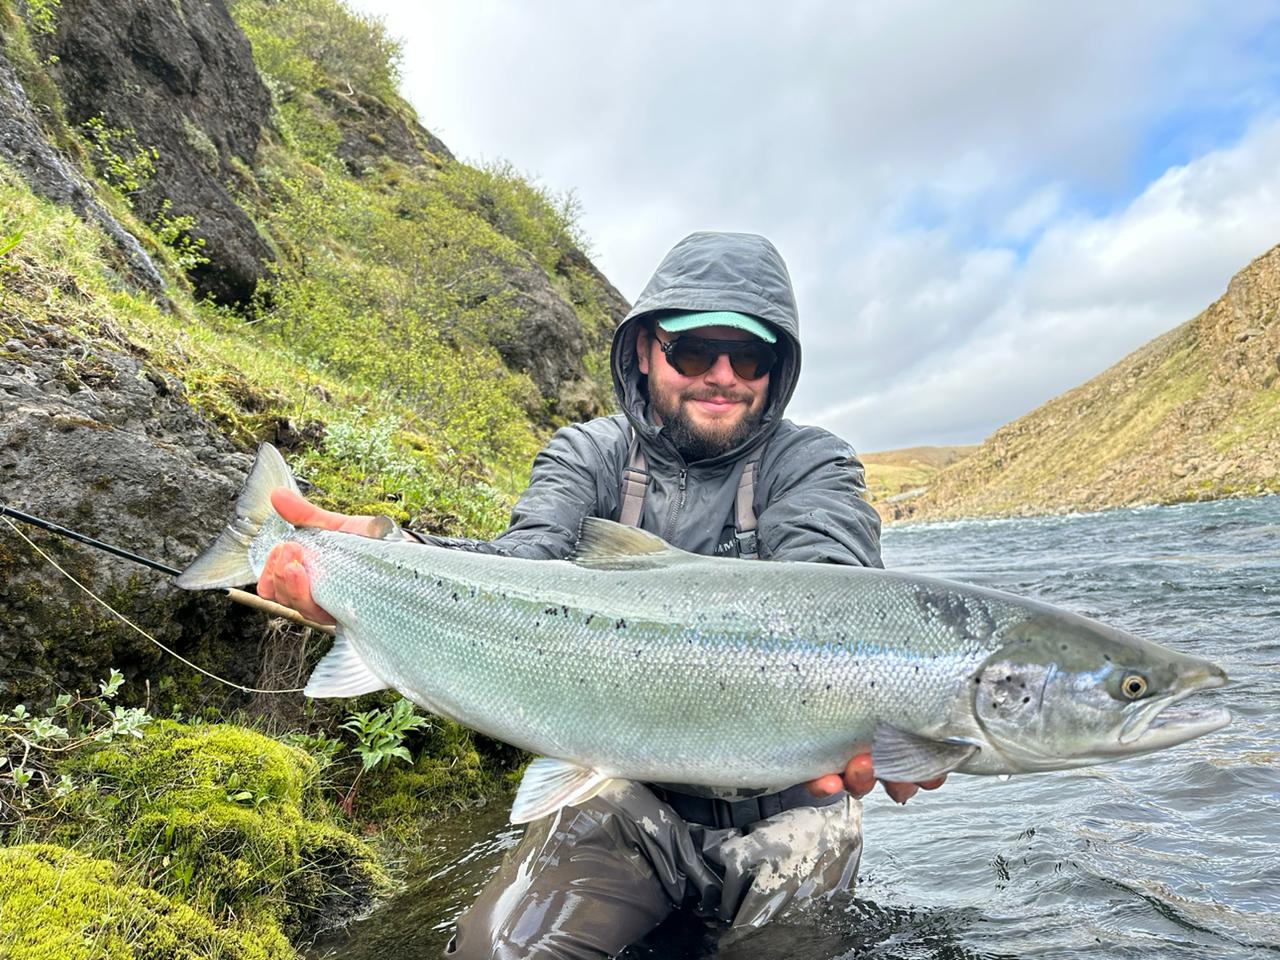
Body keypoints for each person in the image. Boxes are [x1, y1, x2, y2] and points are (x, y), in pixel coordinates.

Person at [257, 231, 945, 958]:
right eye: (694, 352)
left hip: (791, 806)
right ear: (646, 349)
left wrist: (904, 717)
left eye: (750, 358)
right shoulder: (588, 455)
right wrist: (383, 553)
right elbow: (517, 567)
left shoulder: (813, 464)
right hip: (617, 789)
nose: (723, 377)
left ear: (778, 369)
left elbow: (835, 587)